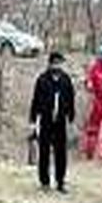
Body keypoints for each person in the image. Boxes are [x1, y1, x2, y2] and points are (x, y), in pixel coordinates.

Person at [28, 51, 76, 192]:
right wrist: (33, 121)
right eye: (55, 63)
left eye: (59, 63)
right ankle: (44, 182)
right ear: (49, 64)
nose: (57, 66)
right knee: (44, 152)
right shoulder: (42, 80)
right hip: (46, 121)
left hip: (60, 121)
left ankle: (60, 182)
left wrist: (71, 117)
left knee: (61, 153)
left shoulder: (66, 80)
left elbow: (71, 99)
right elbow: (35, 101)